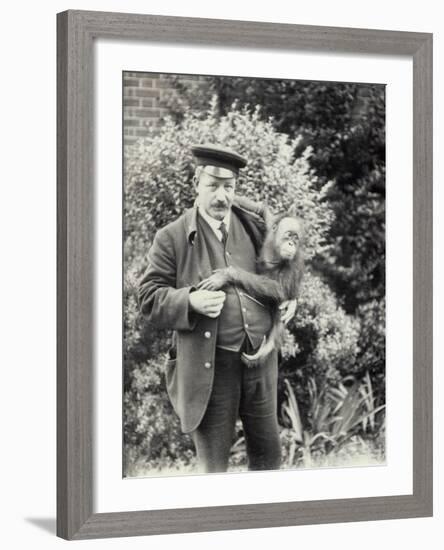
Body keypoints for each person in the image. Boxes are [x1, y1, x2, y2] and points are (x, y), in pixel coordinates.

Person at [138, 143, 296, 473]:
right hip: (211, 369)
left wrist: (290, 297)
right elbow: (149, 299)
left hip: (260, 364)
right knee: (214, 471)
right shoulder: (171, 237)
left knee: (269, 460)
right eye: (213, 186)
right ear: (196, 183)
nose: (221, 196)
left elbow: (280, 266)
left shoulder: (253, 224)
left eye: (229, 187)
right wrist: (190, 300)